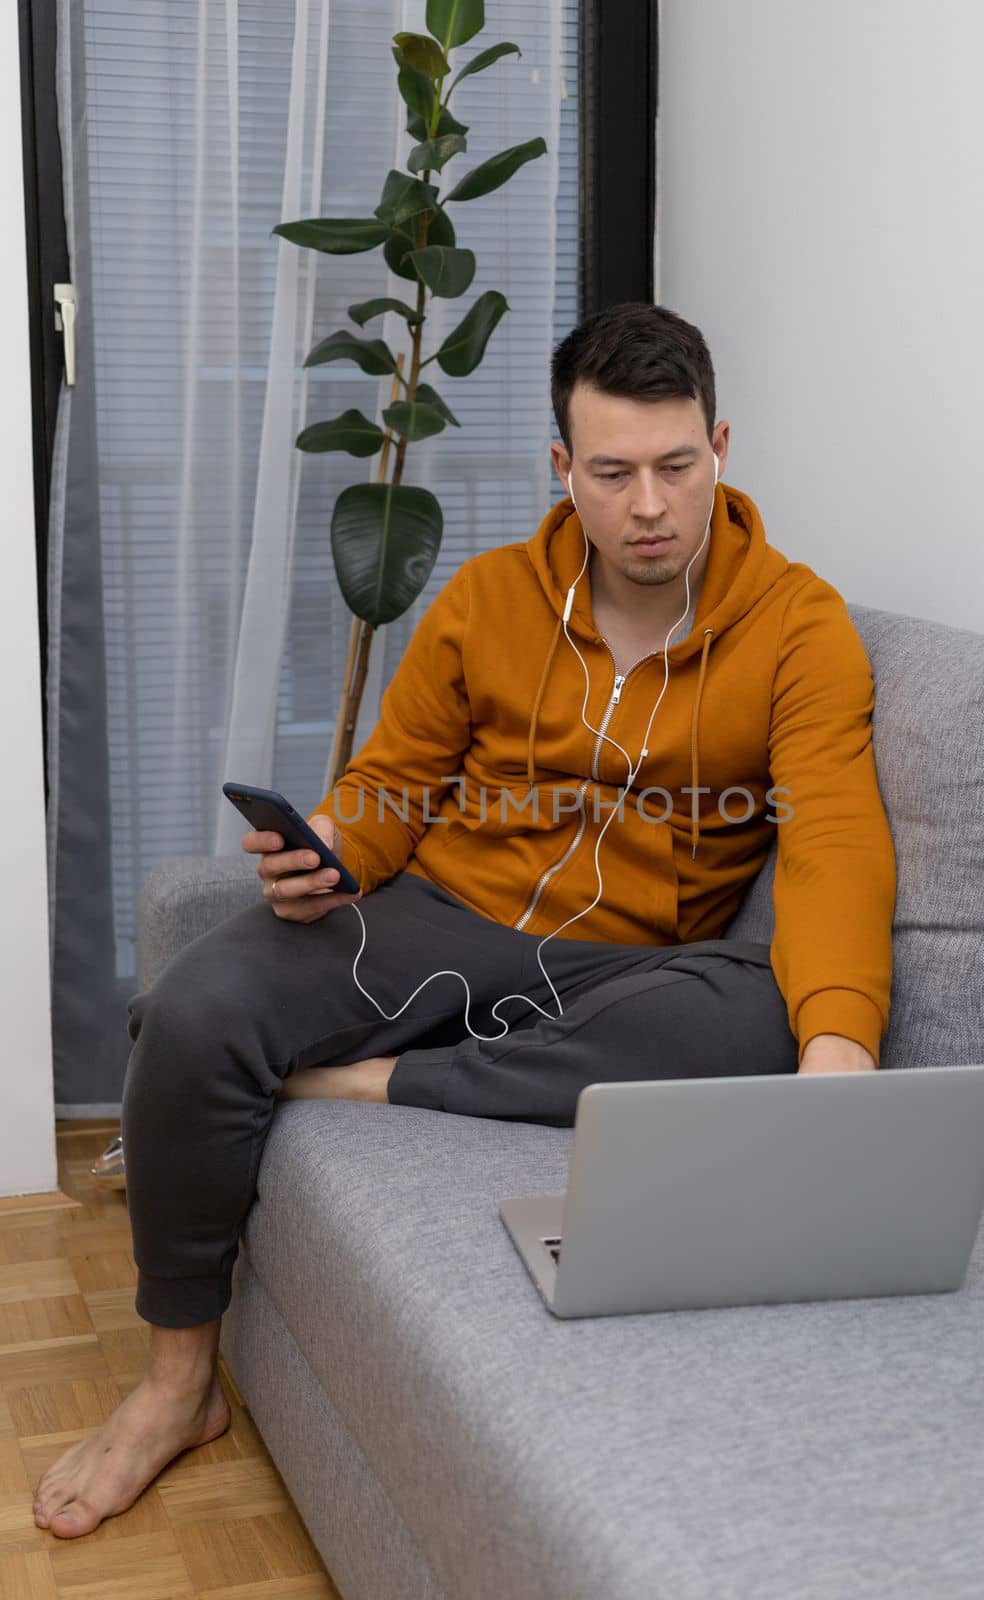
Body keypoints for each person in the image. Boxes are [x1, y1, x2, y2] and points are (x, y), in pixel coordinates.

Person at [31, 302, 896, 1538]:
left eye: (677, 465)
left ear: (719, 446)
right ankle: (178, 1389)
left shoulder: (800, 625)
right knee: (193, 1011)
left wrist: (839, 1050)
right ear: (564, 470)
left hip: (625, 972)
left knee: (755, 1017)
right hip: (441, 918)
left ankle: (375, 1081)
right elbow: (392, 783)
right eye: (612, 473)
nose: (649, 505)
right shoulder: (488, 597)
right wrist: (331, 849)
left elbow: (835, 841)